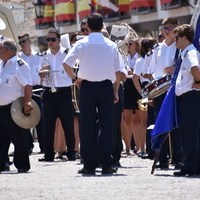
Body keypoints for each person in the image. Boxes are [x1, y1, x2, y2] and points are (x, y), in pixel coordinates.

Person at [63, 13, 122, 175]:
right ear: (103, 26)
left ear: (87, 26)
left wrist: (75, 79)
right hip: (106, 87)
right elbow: (118, 72)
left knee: (86, 126)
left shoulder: (82, 43)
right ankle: (106, 163)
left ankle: (89, 164)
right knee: (106, 126)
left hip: (87, 87)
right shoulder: (111, 44)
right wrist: (116, 91)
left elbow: (66, 63)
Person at [148, 17, 184, 169]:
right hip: (160, 91)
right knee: (160, 123)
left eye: (170, 28)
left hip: (176, 89)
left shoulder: (180, 48)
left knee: (176, 124)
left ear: (176, 29)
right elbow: (150, 72)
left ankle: (178, 158)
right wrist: (151, 93)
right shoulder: (157, 49)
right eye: (165, 28)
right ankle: (162, 158)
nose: (167, 31)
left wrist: (174, 70)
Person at [38, 28, 76, 162]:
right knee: (48, 124)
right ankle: (48, 153)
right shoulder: (43, 55)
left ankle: (71, 151)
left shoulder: (66, 53)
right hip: (49, 91)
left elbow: (73, 69)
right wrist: (43, 71)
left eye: (53, 39)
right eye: (48, 39)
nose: (50, 42)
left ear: (59, 40)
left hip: (63, 91)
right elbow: (40, 76)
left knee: (67, 123)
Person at [0, 38, 32, 173]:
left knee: (19, 138)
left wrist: (27, 103)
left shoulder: (20, 64)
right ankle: (2, 164)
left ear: (6, 50)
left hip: (14, 108)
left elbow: (28, 85)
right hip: (1, 108)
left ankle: (22, 165)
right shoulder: (2, 64)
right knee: (1, 139)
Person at [173, 24, 200, 176]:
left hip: (191, 97)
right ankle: (195, 166)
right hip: (189, 98)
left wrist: (198, 82)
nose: (175, 41)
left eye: (177, 38)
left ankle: (189, 167)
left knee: (190, 134)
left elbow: (195, 69)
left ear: (184, 38)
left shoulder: (190, 53)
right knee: (193, 134)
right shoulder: (185, 53)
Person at [18, 33, 45, 153]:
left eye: (24, 42)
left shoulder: (39, 56)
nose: (22, 45)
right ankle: (27, 145)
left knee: (41, 119)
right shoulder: (18, 58)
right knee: (23, 119)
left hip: (38, 88)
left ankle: (44, 146)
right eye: (20, 43)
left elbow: (45, 74)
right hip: (23, 90)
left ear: (29, 41)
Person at [132, 38, 157, 156]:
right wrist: (142, 93)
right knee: (144, 121)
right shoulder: (141, 60)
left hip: (153, 87)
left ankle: (150, 148)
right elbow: (135, 77)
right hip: (146, 87)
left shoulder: (154, 58)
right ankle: (143, 148)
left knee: (151, 119)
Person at [122, 38, 141, 155]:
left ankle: (139, 146)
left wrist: (133, 71)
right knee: (127, 119)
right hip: (127, 86)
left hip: (137, 85)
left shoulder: (140, 57)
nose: (128, 45)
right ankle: (128, 147)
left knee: (138, 119)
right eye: (127, 44)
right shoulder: (125, 57)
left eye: (130, 43)